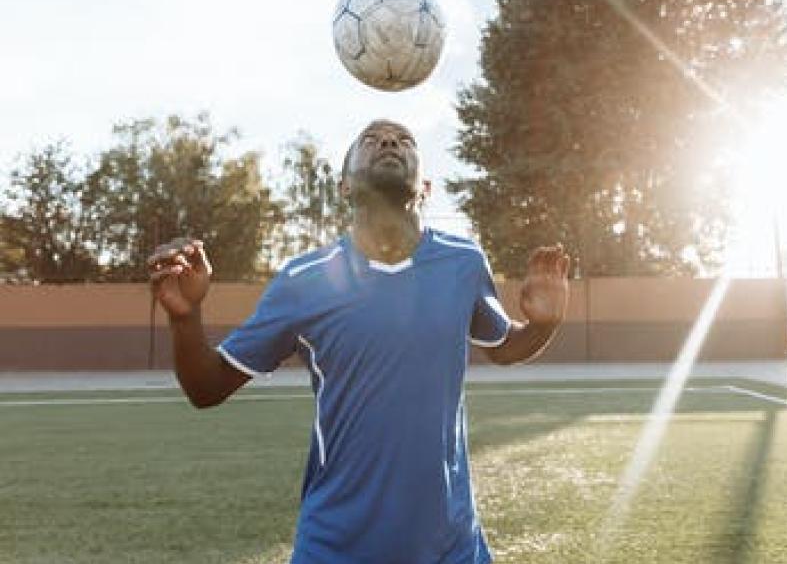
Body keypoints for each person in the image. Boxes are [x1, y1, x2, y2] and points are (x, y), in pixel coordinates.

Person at [147, 119, 569, 563]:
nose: (389, 142)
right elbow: (207, 387)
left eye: (405, 140)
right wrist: (186, 317)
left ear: (425, 187)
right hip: (335, 547)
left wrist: (541, 327)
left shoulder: (463, 263)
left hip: (451, 546)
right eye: (371, 140)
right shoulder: (302, 281)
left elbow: (502, 347)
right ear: (344, 186)